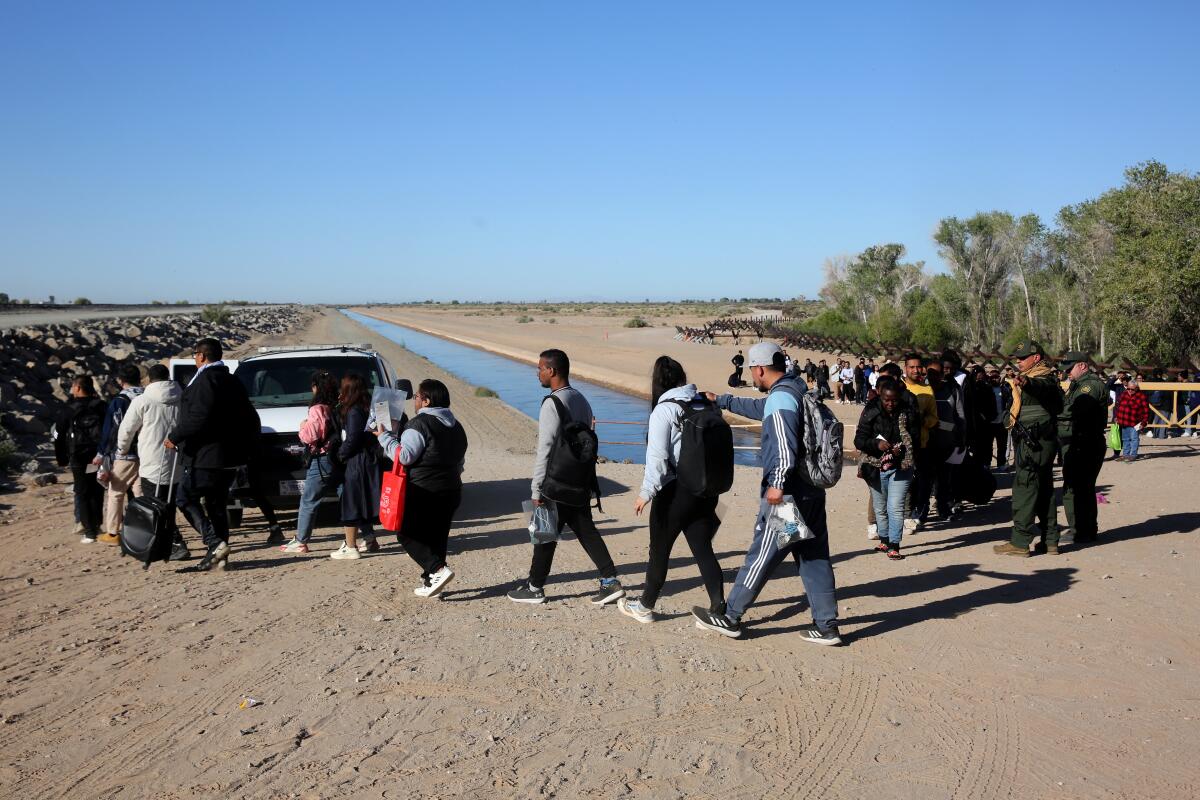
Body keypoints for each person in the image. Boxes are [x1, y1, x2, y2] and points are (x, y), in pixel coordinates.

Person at [695, 342, 841, 645]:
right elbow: (761, 409)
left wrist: (777, 483)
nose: (753, 375)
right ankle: (827, 626)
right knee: (813, 556)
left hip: (788, 496)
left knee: (762, 554)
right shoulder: (794, 390)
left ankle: (730, 616)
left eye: (753, 371)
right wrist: (721, 400)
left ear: (759, 369)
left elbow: (785, 447)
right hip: (812, 491)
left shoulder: (781, 399)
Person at [508, 349, 625, 605]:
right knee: (586, 531)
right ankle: (610, 580)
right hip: (578, 480)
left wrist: (536, 488)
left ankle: (535, 588)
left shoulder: (552, 403)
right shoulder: (581, 399)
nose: (537, 373)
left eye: (540, 368)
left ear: (552, 371)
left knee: (543, 533)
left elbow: (546, 449)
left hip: (554, 482)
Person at [617, 356, 726, 625]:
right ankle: (719, 606)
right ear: (681, 377)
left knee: (660, 549)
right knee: (702, 547)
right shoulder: (702, 401)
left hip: (675, 490)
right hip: (705, 488)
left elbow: (657, 456)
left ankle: (644, 606)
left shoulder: (664, 410)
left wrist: (646, 493)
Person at [166, 338, 260, 571]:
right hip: (230, 457)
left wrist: (175, 436)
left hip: (206, 456)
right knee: (216, 504)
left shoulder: (205, 381)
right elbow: (251, 417)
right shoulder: (231, 380)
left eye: (195, 354)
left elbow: (198, 418)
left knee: (184, 497)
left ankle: (214, 543)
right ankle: (221, 554)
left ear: (201, 356)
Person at [376, 379, 468, 597]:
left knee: (407, 534)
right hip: (452, 489)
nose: (414, 400)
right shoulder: (456, 425)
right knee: (437, 535)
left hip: (424, 490)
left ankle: (437, 570)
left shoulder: (419, 424)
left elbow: (404, 457)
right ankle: (432, 583)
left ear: (426, 400)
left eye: (417, 396)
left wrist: (385, 438)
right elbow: (460, 461)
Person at [994, 340, 1064, 557]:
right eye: (1017, 358)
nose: (1018, 361)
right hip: (1037, 440)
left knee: (1025, 488)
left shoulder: (1042, 378)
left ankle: (1020, 541)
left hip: (1034, 442)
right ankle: (1050, 540)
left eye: (1023, 358)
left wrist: (1026, 382)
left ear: (1036, 358)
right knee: (1043, 490)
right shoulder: (1038, 377)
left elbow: (1042, 388)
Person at [116, 364, 189, 561]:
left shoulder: (142, 401)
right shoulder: (182, 398)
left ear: (148, 379)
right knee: (170, 504)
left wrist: (122, 449)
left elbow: (126, 429)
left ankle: (171, 543)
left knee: (154, 506)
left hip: (151, 461)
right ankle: (171, 542)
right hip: (177, 461)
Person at [855, 380, 919, 559]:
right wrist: (877, 444)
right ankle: (884, 540)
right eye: (886, 400)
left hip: (902, 465)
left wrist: (904, 449)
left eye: (894, 400)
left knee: (895, 507)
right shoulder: (871, 411)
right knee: (880, 506)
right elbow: (859, 440)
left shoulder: (909, 412)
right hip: (875, 466)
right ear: (880, 396)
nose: (890, 404)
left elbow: (915, 438)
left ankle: (894, 545)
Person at [281, 371, 342, 554]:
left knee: (309, 501)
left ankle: (301, 541)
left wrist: (302, 427)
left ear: (316, 388)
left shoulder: (317, 409)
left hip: (321, 459)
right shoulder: (338, 406)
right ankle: (369, 537)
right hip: (338, 458)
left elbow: (310, 435)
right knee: (347, 498)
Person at [1056, 352, 1109, 547]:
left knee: (1077, 488)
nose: (1067, 373)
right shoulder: (1078, 385)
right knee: (1081, 487)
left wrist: (1054, 409)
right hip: (1081, 441)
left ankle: (1080, 529)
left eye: (1070, 369)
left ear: (1082, 366)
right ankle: (1085, 529)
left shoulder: (1089, 386)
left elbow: (1075, 410)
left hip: (1085, 442)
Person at [329, 372, 382, 560]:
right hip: (369, 461)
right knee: (363, 502)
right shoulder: (371, 407)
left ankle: (350, 547)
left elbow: (353, 439)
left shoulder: (354, 411)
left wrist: (340, 455)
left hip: (357, 463)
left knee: (351, 504)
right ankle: (370, 540)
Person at [94, 363, 145, 544]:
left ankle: (113, 533)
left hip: (126, 454)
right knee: (140, 493)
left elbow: (111, 430)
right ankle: (145, 529)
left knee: (116, 493)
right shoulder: (148, 396)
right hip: (148, 453)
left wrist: (102, 453)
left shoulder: (119, 401)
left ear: (120, 381)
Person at [53, 376, 107, 543]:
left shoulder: (69, 409)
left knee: (82, 491)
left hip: (77, 455)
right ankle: (97, 524)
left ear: (77, 388)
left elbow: (58, 435)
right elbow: (110, 431)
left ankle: (89, 531)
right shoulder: (102, 407)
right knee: (97, 490)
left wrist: (61, 458)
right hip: (97, 455)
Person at [902, 353, 938, 529]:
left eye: (918, 367)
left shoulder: (927, 390)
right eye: (912, 367)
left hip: (923, 444)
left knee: (923, 481)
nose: (916, 370)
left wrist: (923, 421)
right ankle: (904, 515)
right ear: (905, 368)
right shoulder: (898, 388)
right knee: (905, 482)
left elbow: (934, 418)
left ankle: (919, 514)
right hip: (901, 446)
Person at [1113, 375, 1149, 462]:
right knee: (1125, 439)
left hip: (1135, 422)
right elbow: (1117, 406)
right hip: (1123, 421)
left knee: (1134, 439)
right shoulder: (1124, 394)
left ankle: (1133, 455)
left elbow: (1146, 411)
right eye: (1128, 388)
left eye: (1132, 389)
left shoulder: (1141, 396)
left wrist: (1143, 423)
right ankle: (1126, 455)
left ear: (1136, 388)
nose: (1129, 391)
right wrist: (1116, 417)